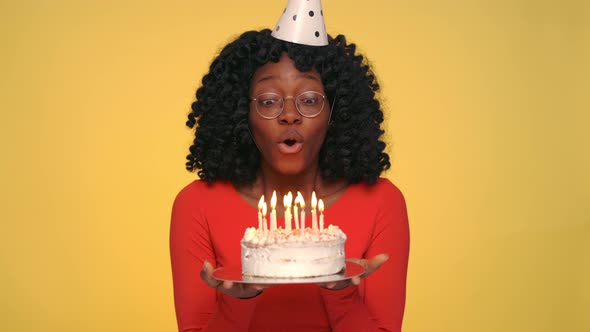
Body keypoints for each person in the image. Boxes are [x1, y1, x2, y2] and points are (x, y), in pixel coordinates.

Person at [170, 2, 409, 331]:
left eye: (309, 99)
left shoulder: (382, 201)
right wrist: (240, 302)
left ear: (334, 113)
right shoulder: (197, 204)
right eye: (268, 101)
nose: (289, 114)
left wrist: (338, 290)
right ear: (244, 114)